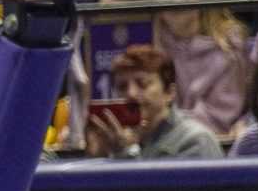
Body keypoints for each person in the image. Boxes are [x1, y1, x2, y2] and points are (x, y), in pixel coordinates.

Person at [153, 0, 250, 140]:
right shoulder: (150, 45)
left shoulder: (228, 45)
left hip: (212, 140)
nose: (176, 0)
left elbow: (222, 114)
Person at [84, 47, 223, 160]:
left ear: (169, 92)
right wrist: (98, 158)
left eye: (142, 84)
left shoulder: (195, 140)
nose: (130, 93)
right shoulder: (117, 140)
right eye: (122, 87)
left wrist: (125, 153)